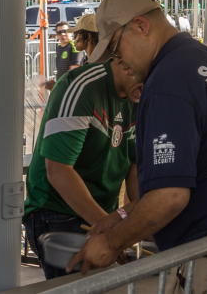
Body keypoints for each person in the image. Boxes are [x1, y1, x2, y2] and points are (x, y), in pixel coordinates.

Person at [66, 0, 207, 292]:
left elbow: (170, 196)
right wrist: (120, 215)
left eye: (117, 50)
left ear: (141, 26)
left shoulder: (167, 82)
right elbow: (191, 173)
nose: (119, 62)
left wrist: (111, 243)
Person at [24, 55, 143, 280]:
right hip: (57, 211)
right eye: (144, 75)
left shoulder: (142, 97)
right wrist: (111, 231)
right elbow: (59, 171)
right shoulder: (80, 86)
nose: (149, 83)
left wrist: (134, 223)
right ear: (122, 60)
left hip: (102, 215)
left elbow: (134, 170)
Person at [45, 21, 82, 91]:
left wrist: (58, 86)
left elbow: (73, 70)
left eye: (65, 31)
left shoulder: (74, 45)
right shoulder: (58, 47)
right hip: (61, 86)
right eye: (59, 32)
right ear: (57, 35)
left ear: (71, 32)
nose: (62, 34)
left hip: (71, 87)